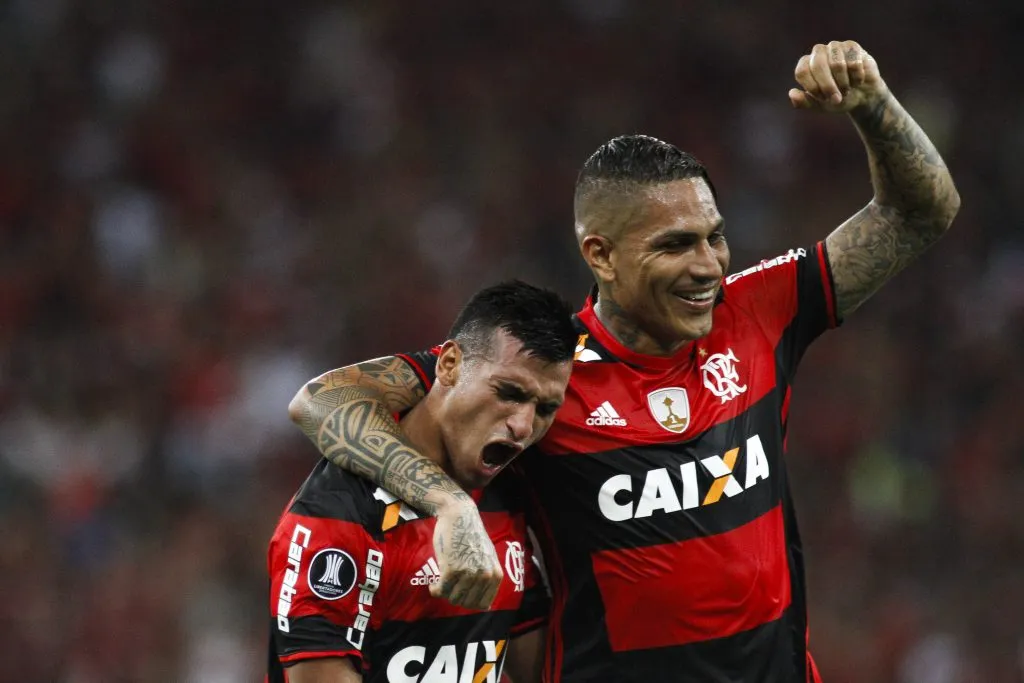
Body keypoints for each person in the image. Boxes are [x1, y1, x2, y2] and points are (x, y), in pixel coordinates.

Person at [287, 40, 960, 682]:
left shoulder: (758, 310)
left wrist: (873, 103)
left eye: (715, 238)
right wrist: (448, 504)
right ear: (601, 255)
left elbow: (922, 213)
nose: (708, 266)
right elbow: (322, 399)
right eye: (676, 245)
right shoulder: (542, 376)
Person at [268, 280, 577, 683]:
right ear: (449, 366)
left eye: (546, 409)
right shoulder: (339, 514)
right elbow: (317, 400)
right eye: (509, 393)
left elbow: (537, 667)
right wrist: (451, 504)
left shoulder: (503, 491)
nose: (523, 426)